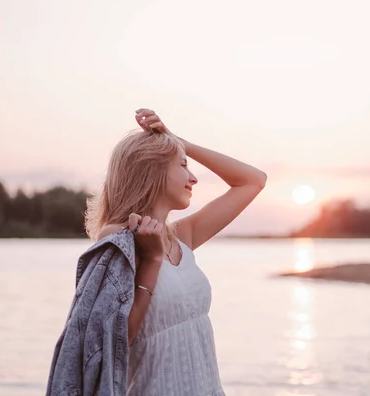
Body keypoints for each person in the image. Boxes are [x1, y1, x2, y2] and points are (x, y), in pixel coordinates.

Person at [87, 108, 267, 395]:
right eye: (183, 166)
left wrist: (182, 144)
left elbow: (253, 180)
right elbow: (114, 343)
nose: (194, 177)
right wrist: (152, 259)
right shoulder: (118, 237)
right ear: (152, 169)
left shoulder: (182, 236)